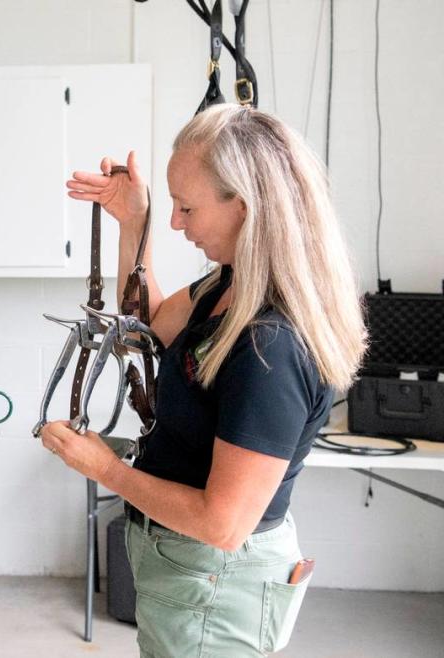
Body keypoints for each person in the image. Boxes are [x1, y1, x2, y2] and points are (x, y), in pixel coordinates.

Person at [40, 104, 367, 657]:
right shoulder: (228, 286)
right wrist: (133, 222)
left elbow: (223, 524)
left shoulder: (272, 345)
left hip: (216, 582)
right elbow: (145, 327)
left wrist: (106, 470)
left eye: (186, 207)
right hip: (188, 574)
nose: (175, 223)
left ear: (244, 206)